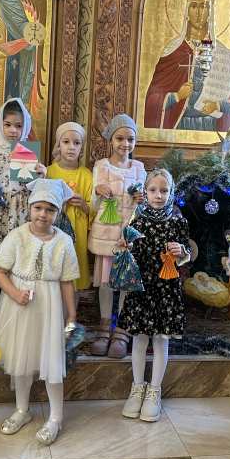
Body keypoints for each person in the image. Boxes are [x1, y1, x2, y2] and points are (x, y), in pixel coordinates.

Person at [0, 178, 80, 446]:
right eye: (38, 208)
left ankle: (56, 417)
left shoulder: (63, 241)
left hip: (49, 306)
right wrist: (15, 293)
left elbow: (67, 281)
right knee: (22, 358)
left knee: (52, 360)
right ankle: (22, 410)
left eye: (50, 209)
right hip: (19, 305)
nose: (43, 214)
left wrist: (71, 314)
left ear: (58, 212)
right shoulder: (17, 236)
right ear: (29, 208)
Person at [118, 169, 190, 423]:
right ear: (145, 192)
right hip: (141, 288)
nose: (158, 195)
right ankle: (137, 387)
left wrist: (181, 251)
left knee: (161, 340)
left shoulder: (178, 221)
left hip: (166, 289)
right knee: (139, 339)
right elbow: (127, 250)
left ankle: (154, 391)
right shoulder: (137, 221)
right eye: (153, 190)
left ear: (171, 193)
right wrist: (124, 247)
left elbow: (185, 256)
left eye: (164, 190)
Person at [0, 98, 45, 329]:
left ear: (25, 127)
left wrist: (40, 174)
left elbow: (32, 189)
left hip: (19, 215)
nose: (13, 130)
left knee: (16, 262)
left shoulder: (26, 151)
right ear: (0, 125)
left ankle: (14, 311)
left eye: (18, 125)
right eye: (8, 125)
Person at [87, 114, 146, 358]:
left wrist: (141, 200)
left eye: (130, 139)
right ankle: (104, 327)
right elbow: (92, 205)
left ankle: (121, 328)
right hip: (106, 234)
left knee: (125, 283)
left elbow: (143, 207)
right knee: (106, 282)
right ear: (111, 140)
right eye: (120, 138)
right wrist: (98, 191)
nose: (125, 144)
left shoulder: (139, 169)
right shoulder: (101, 166)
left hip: (127, 236)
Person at [143, 0, 230, 132]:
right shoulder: (173, 50)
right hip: (179, 125)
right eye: (194, 6)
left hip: (210, 126)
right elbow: (152, 98)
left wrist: (218, 105)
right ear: (187, 12)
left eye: (204, 7)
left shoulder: (219, 52)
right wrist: (176, 96)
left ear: (210, 13)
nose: (199, 12)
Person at [46, 122, 93, 291]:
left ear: (82, 147)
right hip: (53, 228)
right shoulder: (48, 172)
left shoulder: (86, 175)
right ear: (58, 145)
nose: (71, 147)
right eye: (66, 142)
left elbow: (93, 209)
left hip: (77, 230)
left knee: (74, 273)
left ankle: (72, 305)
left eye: (77, 143)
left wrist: (83, 205)